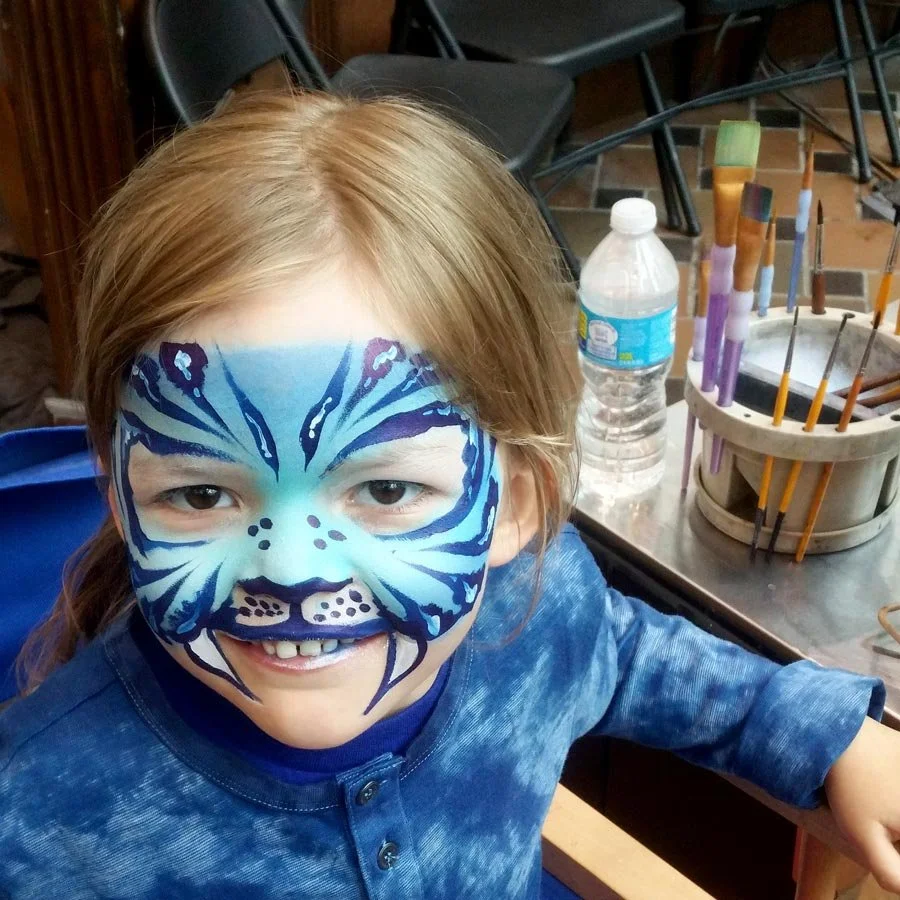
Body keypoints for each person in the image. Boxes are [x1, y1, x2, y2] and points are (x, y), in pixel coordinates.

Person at [1, 90, 899, 899]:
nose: (293, 571)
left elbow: (627, 654)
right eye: (201, 496)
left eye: (386, 487)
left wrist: (826, 736)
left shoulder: (535, 612)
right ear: (120, 494)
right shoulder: (38, 821)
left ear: (516, 503)